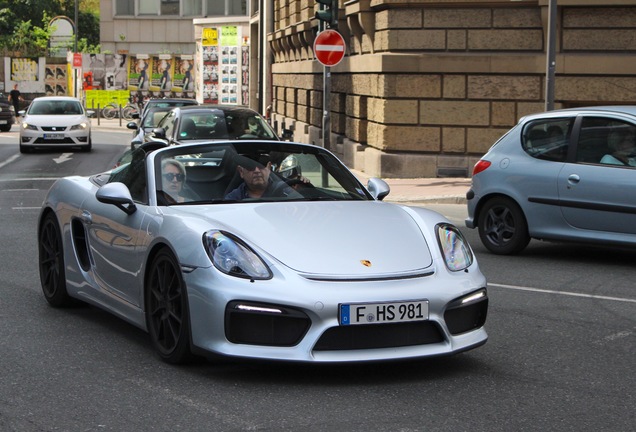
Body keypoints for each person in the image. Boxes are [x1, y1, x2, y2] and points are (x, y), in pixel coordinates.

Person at [225, 154, 302, 200]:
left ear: (269, 168)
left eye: (261, 165)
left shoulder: (286, 191)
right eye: (250, 166)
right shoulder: (232, 199)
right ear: (241, 172)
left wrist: (303, 189)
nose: (257, 170)